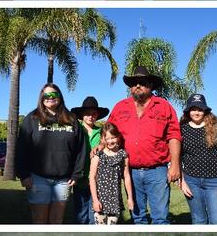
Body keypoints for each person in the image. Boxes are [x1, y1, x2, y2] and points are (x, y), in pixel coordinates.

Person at [107, 65, 182, 224]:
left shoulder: (164, 106)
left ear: (151, 85)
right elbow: (108, 131)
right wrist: (101, 145)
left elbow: (174, 136)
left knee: (160, 218)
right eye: (134, 83)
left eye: (142, 82)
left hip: (157, 172)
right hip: (130, 171)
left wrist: (175, 165)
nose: (137, 86)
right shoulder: (120, 107)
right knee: (137, 216)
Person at [15, 84, 88, 224]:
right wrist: (23, 174)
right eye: (46, 95)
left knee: (57, 220)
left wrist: (76, 174)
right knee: (39, 220)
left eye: (53, 95)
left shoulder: (72, 120)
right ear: (41, 99)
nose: (50, 98)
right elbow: (21, 148)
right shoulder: (32, 119)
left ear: (60, 97)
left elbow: (81, 148)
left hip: (63, 180)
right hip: (37, 178)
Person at [179, 93, 217, 225]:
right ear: (188, 110)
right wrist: (182, 181)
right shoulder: (181, 128)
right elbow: (177, 157)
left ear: (205, 110)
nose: (196, 112)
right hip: (191, 181)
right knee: (198, 220)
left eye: (199, 109)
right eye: (193, 109)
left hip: (215, 182)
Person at [72, 96, 110, 224]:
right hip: (80, 177)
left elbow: (111, 143)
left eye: (93, 114)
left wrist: (102, 144)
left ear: (97, 115)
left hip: (97, 178)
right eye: (87, 114)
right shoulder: (76, 130)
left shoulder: (101, 132)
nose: (90, 116)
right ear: (82, 115)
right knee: (80, 212)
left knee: (95, 211)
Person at [89, 121, 133, 224]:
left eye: (112, 137)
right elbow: (92, 178)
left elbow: (126, 177)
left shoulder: (123, 155)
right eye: (107, 138)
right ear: (102, 139)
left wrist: (130, 198)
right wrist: (95, 200)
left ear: (117, 137)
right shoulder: (98, 155)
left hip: (115, 200)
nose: (110, 141)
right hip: (100, 200)